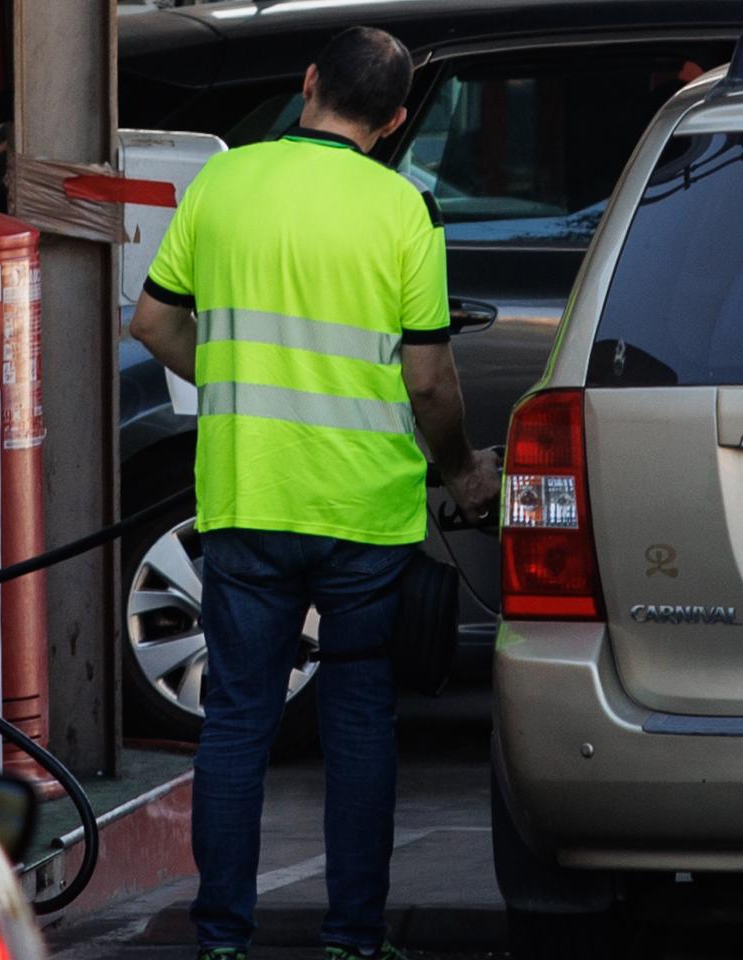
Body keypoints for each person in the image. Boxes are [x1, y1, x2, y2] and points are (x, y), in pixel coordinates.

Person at [128, 25, 502, 960]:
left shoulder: (223, 183)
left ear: (307, 84)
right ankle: (352, 939)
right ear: (397, 118)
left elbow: (152, 320)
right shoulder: (401, 210)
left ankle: (220, 939)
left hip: (247, 497)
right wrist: (460, 469)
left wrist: (227, 386)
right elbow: (428, 382)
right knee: (361, 722)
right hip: (363, 513)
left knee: (240, 719)